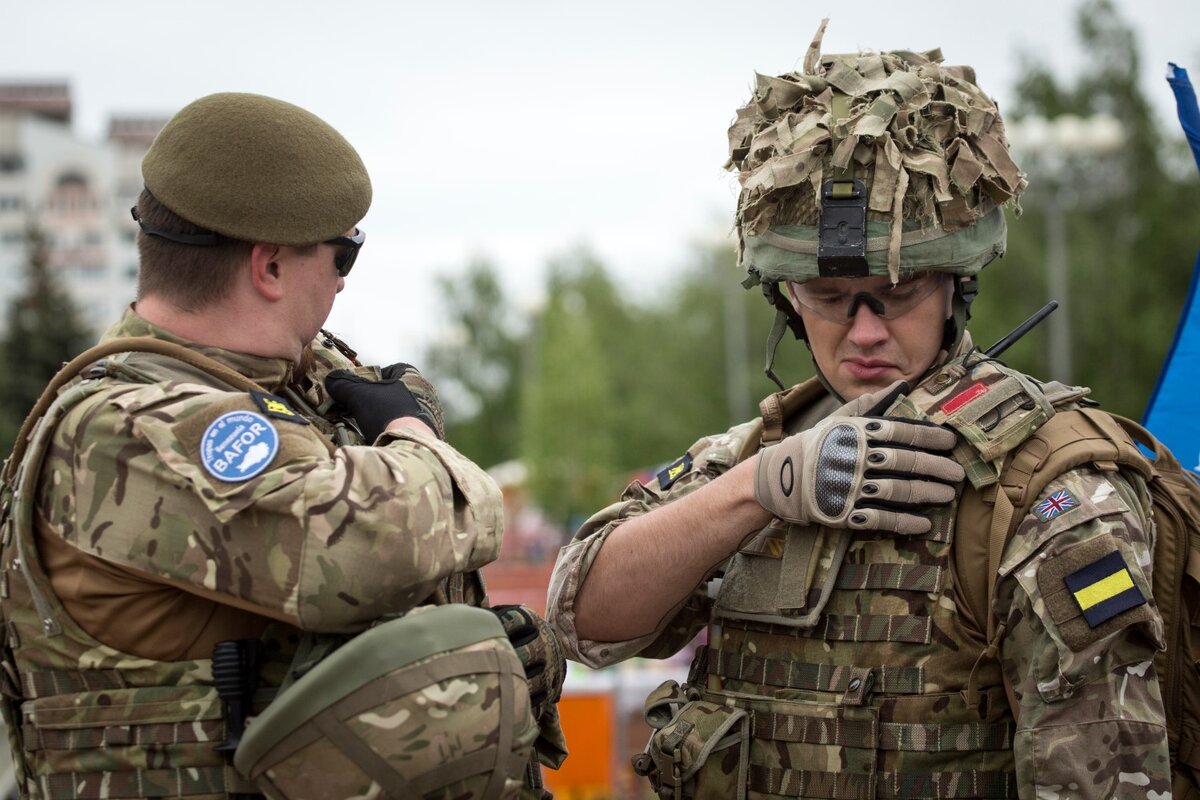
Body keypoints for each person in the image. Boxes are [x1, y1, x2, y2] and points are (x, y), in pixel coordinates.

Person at [547, 21, 1172, 799]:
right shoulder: (762, 456)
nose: (866, 330)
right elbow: (582, 621)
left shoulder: (1048, 491)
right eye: (830, 299)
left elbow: (1104, 779)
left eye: (901, 294)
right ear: (786, 300)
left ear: (955, 287)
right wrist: (755, 490)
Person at [0, 92, 563, 799]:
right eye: (342, 252)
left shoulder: (275, 388)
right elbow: (376, 542)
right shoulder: (132, 427)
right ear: (267, 268)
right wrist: (413, 434)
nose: (341, 281)